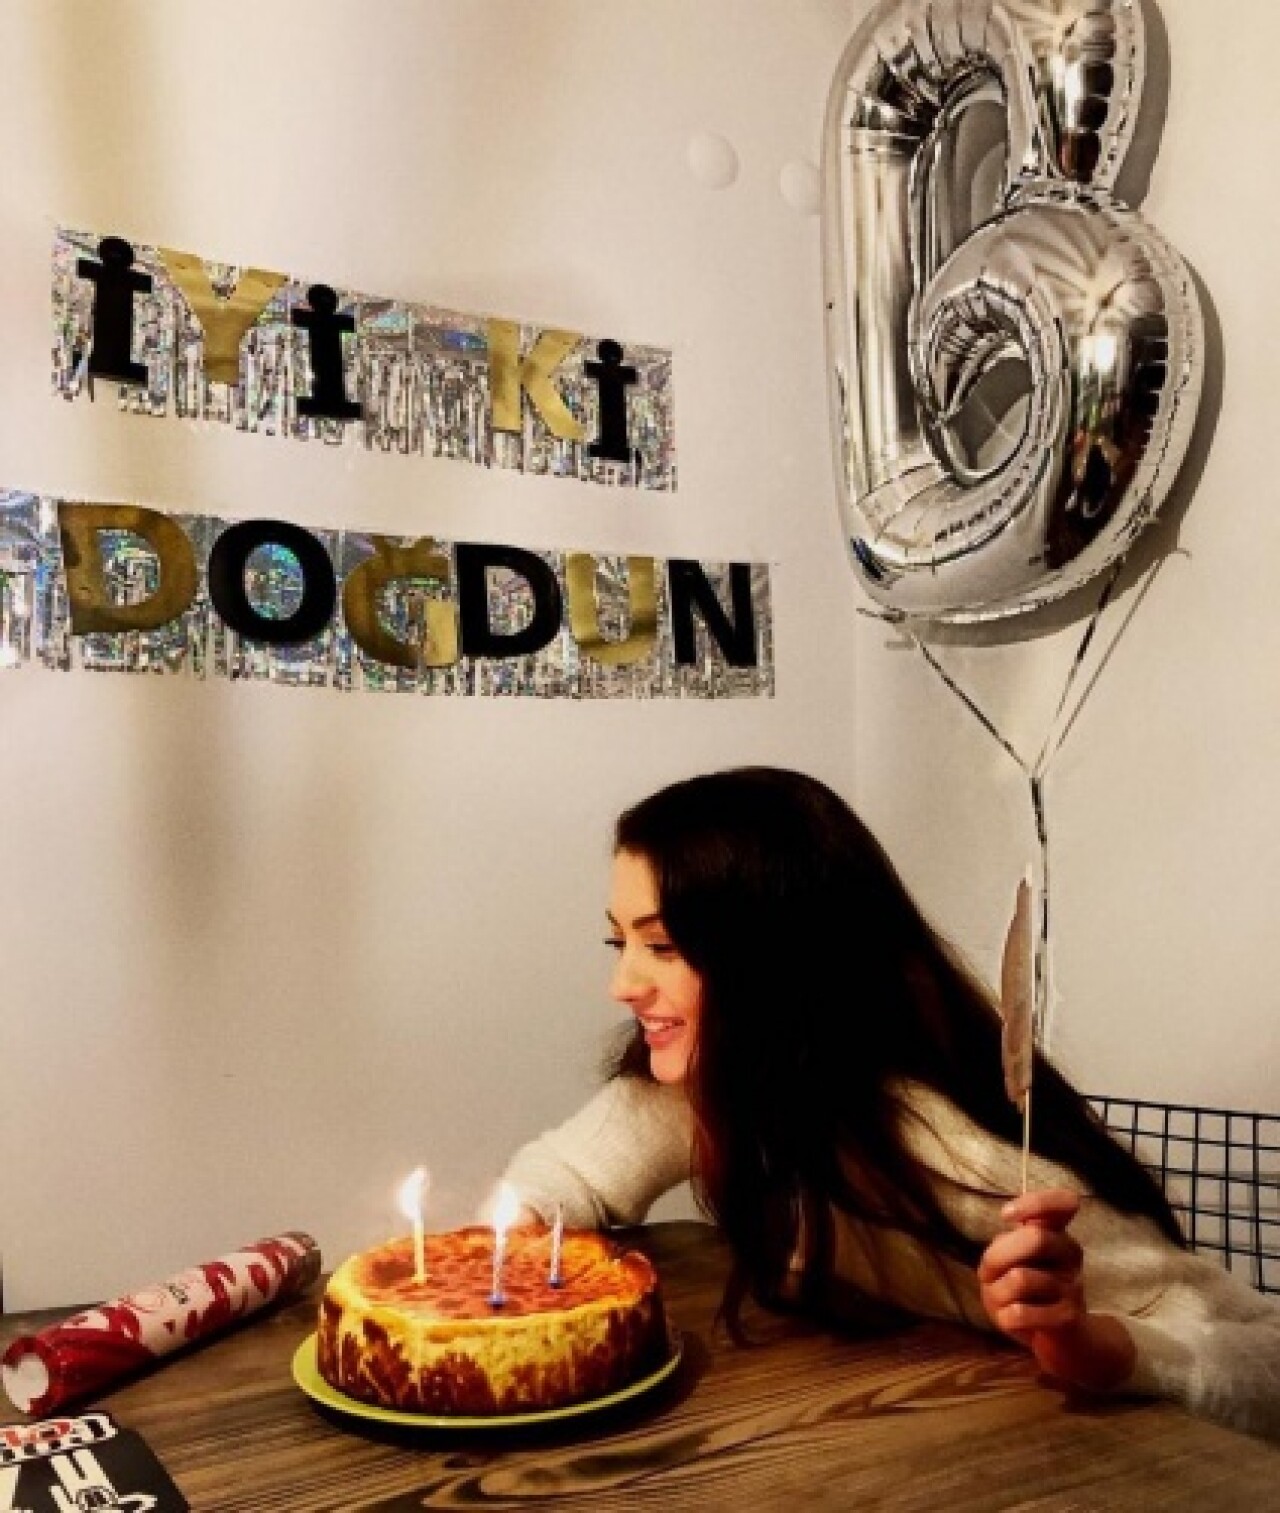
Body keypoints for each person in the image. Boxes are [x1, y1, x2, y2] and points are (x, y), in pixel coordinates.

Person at [496, 767, 1280, 1440]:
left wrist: (1092, 1343)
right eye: (620, 942)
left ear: (773, 959)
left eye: (663, 946)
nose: (622, 984)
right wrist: (510, 1237)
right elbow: (565, 1174)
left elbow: (1265, 1357)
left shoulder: (956, 1160)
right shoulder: (708, 1086)